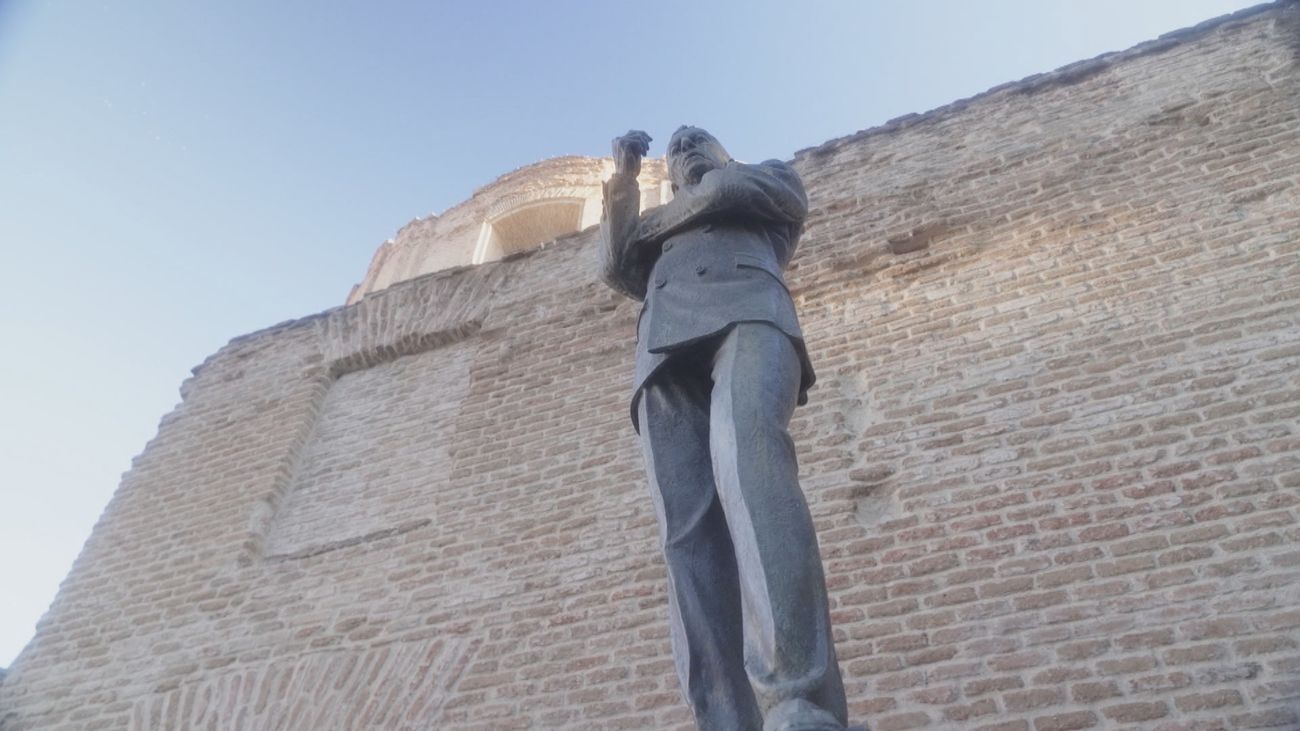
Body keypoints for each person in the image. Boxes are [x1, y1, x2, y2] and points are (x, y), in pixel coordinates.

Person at [599, 127, 853, 731]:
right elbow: (616, 263)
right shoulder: (657, 220)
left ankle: (798, 701)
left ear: (723, 153)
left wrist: (675, 203)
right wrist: (628, 182)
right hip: (662, 353)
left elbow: (734, 190)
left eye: (696, 140)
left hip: (749, 316)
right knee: (685, 534)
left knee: (751, 466)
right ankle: (723, 719)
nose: (683, 146)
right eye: (675, 146)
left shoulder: (762, 178)